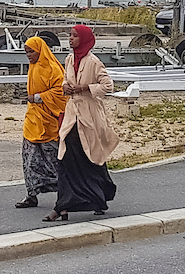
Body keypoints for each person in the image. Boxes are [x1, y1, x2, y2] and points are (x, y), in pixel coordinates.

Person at [43, 25, 119, 222]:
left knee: (89, 156)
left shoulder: (94, 62)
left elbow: (108, 86)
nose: (70, 39)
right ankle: (62, 206)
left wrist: (85, 87)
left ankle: (98, 196)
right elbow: (65, 81)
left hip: (89, 114)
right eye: (70, 35)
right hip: (72, 114)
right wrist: (66, 87)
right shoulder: (69, 59)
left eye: (75, 36)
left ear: (84, 39)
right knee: (65, 157)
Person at [16, 36, 67, 209]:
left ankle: (65, 192)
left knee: (53, 159)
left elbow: (60, 92)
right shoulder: (33, 67)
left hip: (48, 120)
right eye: (27, 52)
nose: (29, 55)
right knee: (29, 158)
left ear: (40, 51)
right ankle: (31, 194)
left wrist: (38, 97)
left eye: (32, 51)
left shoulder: (52, 68)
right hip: (33, 119)